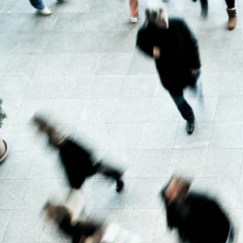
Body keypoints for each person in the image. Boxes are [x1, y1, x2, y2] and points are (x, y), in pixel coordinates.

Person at [136, 3, 202, 135]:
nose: (164, 20)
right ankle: (189, 118)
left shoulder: (178, 24)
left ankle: (193, 85)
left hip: (186, 68)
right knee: (178, 99)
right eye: (160, 19)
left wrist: (195, 65)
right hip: (168, 74)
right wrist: (152, 52)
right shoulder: (146, 33)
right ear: (153, 21)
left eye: (164, 15)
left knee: (192, 82)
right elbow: (140, 44)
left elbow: (192, 42)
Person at [33, 115, 125, 194]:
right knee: (92, 170)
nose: (38, 131)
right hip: (73, 155)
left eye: (38, 128)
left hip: (72, 155)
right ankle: (115, 175)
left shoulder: (53, 134)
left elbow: (63, 144)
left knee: (88, 173)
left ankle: (115, 175)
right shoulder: (51, 132)